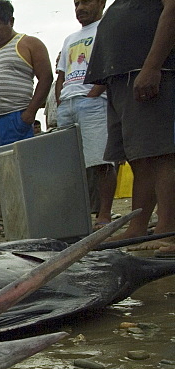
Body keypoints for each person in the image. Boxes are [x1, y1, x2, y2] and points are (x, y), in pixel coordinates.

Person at [85, 0, 175, 249]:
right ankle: (138, 225)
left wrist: (152, 66)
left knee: (161, 151)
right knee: (139, 155)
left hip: (148, 70)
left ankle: (168, 227)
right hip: (121, 77)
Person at [0, 0, 53, 236]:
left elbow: (46, 78)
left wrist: (29, 114)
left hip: (14, 118)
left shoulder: (28, 44)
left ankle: (24, 224)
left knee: (16, 175)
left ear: (10, 21)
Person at [55, 0, 116, 229]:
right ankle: (75, 219)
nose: (80, 7)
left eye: (86, 1)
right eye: (76, 3)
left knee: (100, 160)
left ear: (101, 3)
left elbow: (112, 62)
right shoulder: (70, 38)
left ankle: (104, 214)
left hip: (93, 101)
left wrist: (95, 92)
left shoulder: (107, 27)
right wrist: (60, 99)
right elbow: (61, 73)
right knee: (68, 166)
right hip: (68, 103)